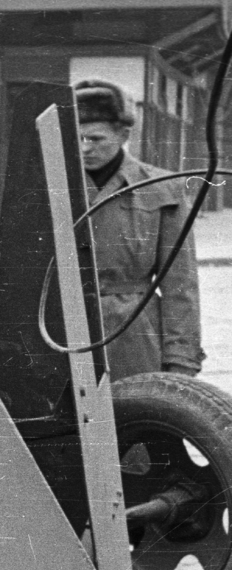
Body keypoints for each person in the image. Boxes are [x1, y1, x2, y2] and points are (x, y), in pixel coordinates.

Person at [73, 79, 202, 379]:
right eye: (76, 138)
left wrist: (181, 357)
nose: (84, 148)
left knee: (138, 419)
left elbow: (180, 284)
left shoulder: (161, 187)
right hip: (65, 330)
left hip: (135, 337)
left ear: (123, 134)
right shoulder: (51, 185)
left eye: (95, 139)